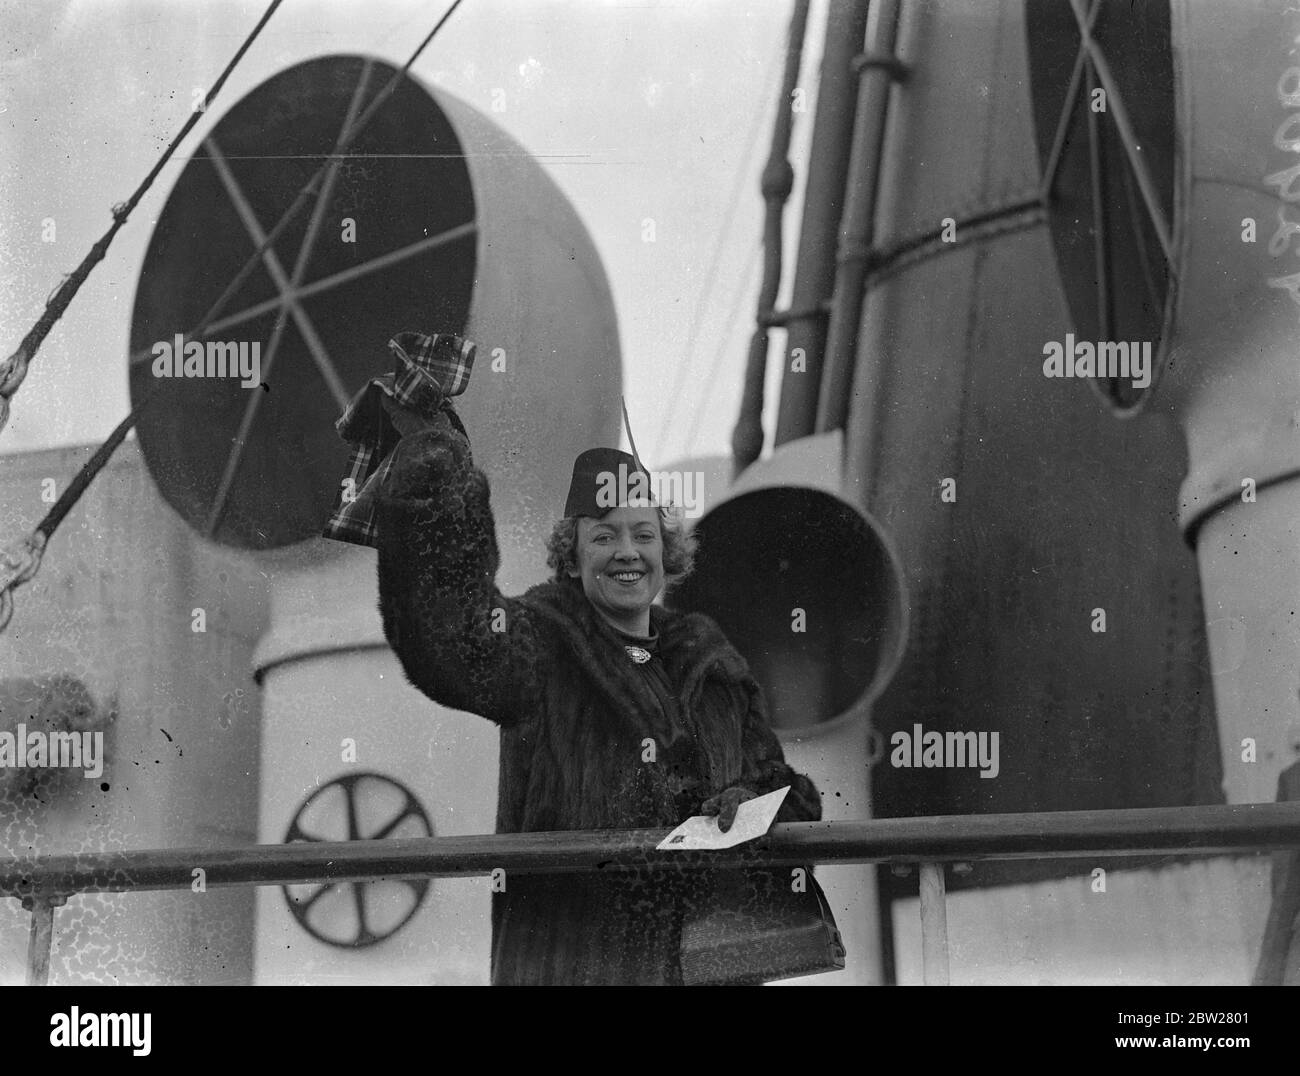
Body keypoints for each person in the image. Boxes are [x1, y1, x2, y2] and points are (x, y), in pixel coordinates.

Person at [374, 417, 822, 985]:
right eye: (604, 536)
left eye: (643, 534)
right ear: (572, 555)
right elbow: (455, 647)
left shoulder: (713, 665)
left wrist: (747, 800)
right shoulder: (540, 639)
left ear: (667, 549)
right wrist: (435, 489)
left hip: (707, 968)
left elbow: (787, 789)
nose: (626, 553)